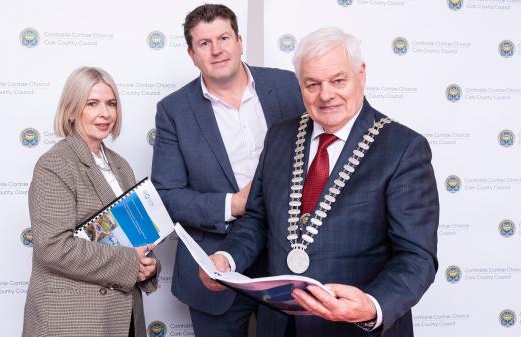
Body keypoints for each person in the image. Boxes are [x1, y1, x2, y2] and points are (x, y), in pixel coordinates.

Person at [200, 27, 439, 337]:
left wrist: (372, 305)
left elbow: (416, 256)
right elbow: (258, 219)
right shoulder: (280, 136)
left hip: (353, 329)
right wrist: (227, 257)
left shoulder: (403, 148)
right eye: (312, 84)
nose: (326, 95)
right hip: (278, 325)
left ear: (361, 74)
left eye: (338, 80)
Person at [151, 4, 304, 337]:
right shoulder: (174, 111)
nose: (217, 49)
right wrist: (235, 204)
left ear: (239, 41)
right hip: (213, 268)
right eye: (204, 43)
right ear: (192, 54)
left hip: (286, 257)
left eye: (223, 38)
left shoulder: (289, 86)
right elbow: (167, 195)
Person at [23, 67, 159, 337]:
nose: (105, 113)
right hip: (74, 320)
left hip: (123, 316)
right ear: (72, 110)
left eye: (111, 104)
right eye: (92, 104)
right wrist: (130, 262)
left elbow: (136, 239)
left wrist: (149, 265)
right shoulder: (55, 164)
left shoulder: (122, 167)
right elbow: (53, 248)